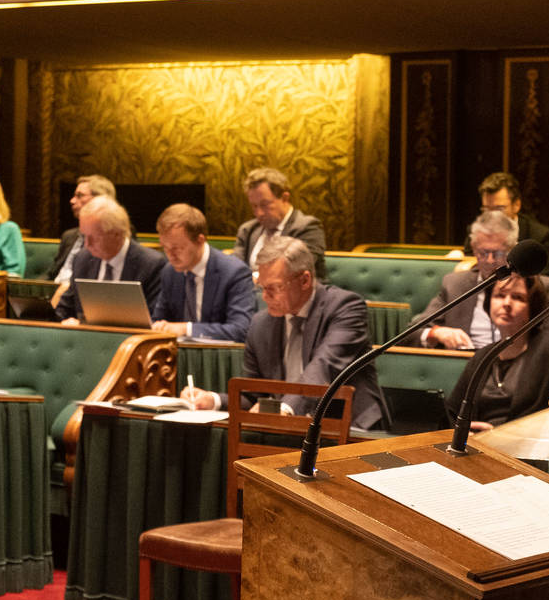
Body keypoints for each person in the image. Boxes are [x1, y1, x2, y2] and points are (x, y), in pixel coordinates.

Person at [180, 238, 386, 430]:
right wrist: (213, 400)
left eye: (274, 288)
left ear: (305, 280)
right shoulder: (261, 324)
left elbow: (323, 368)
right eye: (262, 287)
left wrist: (285, 408)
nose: (265, 296)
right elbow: (254, 396)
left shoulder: (345, 308)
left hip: (350, 428)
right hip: (287, 429)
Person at [422, 211, 549, 350]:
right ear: (474, 248)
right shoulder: (454, 284)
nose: (489, 260)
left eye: (498, 253)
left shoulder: (545, 288)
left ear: (512, 250)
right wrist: (437, 333)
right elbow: (414, 330)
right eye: (483, 252)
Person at [444, 273, 549, 430]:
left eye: (517, 297)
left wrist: (496, 436)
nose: (507, 303)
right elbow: (452, 413)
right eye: (499, 295)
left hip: (526, 448)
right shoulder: (482, 356)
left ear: (533, 307)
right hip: (475, 447)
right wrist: (462, 433)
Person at [151, 203, 257, 342]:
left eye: (177, 248)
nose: (170, 255)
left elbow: (241, 330)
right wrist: (159, 327)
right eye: (165, 247)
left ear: (200, 240)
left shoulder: (234, 272)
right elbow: (160, 319)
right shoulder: (169, 272)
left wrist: (187, 329)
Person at [54, 197, 165, 324]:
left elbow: (154, 321)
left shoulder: (151, 265)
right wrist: (66, 321)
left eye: (93, 238)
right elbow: (64, 309)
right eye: (84, 236)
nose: (87, 244)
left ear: (117, 234)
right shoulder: (82, 259)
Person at [231, 167, 326, 273]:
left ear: (285, 198)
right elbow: (235, 270)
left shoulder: (307, 227)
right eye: (254, 206)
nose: (259, 213)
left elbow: (296, 272)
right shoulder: (247, 230)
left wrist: (254, 280)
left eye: (264, 204)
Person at [47, 174, 115, 283]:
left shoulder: (116, 234)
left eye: (80, 196)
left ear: (100, 199)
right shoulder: (69, 236)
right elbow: (51, 275)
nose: (72, 201)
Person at [475, 171, 549, 251]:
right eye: (486, 209)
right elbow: (469, 261)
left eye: (499, 208)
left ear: (516, 205)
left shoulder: (540, 237)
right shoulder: (476, 231)